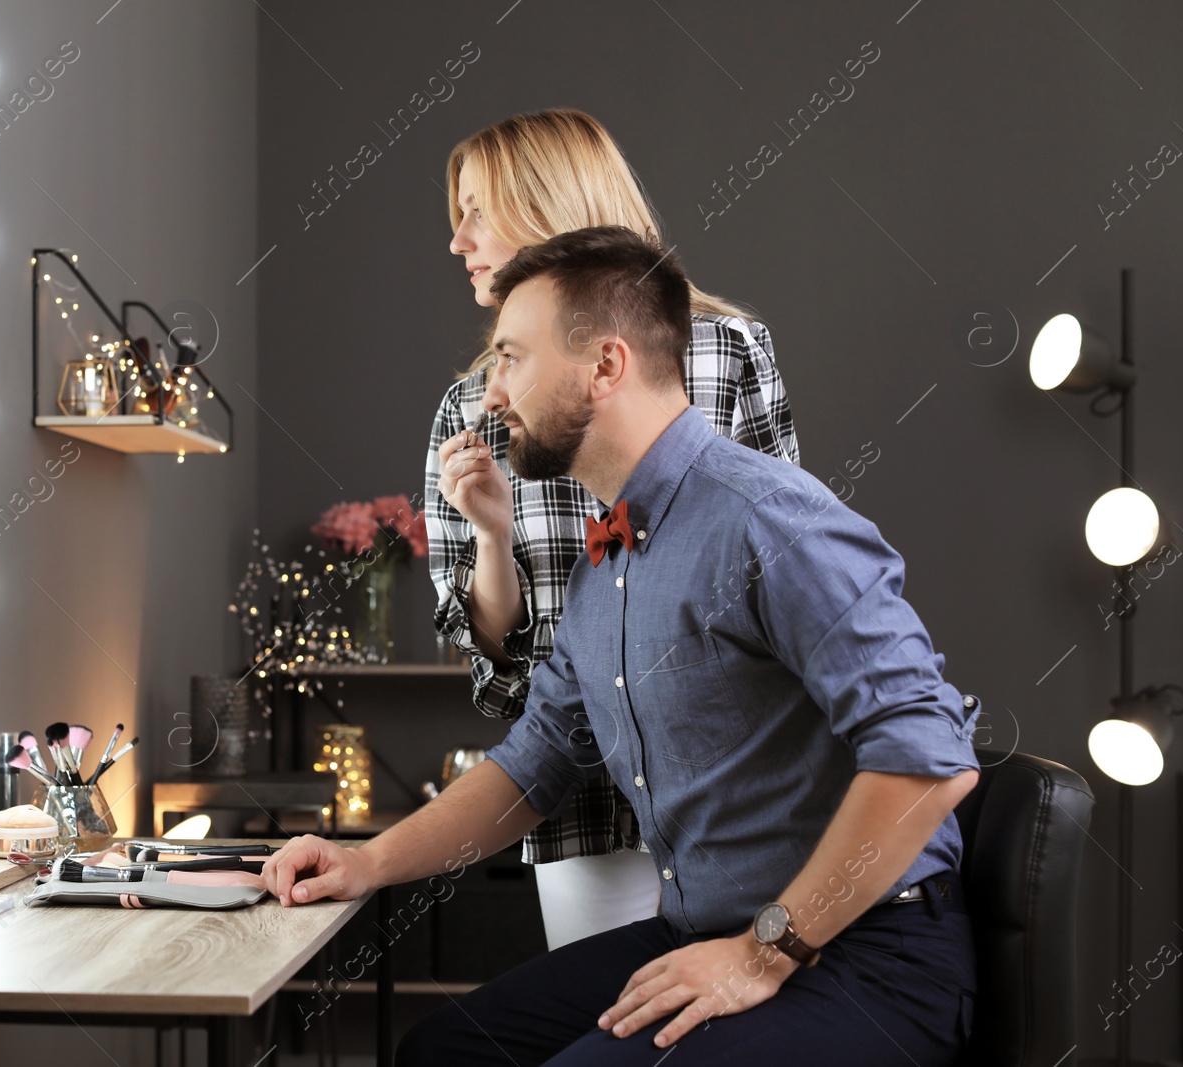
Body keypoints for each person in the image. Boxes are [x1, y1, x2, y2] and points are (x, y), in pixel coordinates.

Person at [264, 226, 980, 1064]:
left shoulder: (768, 518)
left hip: (866, 957)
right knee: (444, 1052)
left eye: (512, 357)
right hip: (701, 931)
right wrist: (367, 861)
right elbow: (534, 764)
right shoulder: (610, 557)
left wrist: (762, 952)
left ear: (605, 366)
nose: (492, 395)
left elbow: (928, 757)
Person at [427, 108, 799, 949]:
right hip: (579, 797)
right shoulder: (472, 408)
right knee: (620, 1026)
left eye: (478, 209)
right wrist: (491, 539)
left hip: (734, 791)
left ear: (548, 202)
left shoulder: (731, 352)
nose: (459, 240)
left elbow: (784, 563)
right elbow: (496, 674)